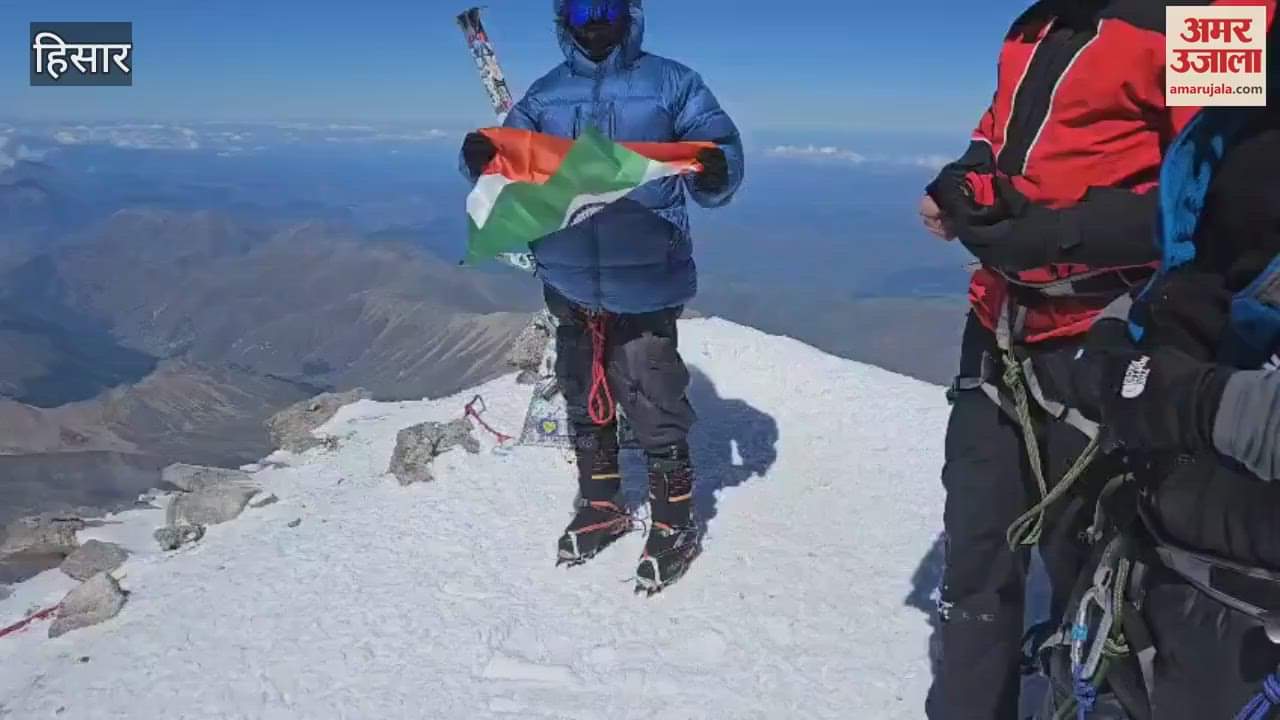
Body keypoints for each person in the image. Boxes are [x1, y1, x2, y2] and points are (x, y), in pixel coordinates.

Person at [917, 1, 1202, 716]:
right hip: (999, 325)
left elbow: (1230, 192)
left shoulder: (1209, 20)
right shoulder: (1035, 22)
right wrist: (963, 182)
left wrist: (1060, 236)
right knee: (979, 542)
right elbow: (1005, 137)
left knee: (1096, 559)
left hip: (1114, 338)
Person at [1037, 13, 1279, 717]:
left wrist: (1196, 403)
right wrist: (1143, 331)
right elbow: (1196, 209)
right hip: (1179, 512)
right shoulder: (1228, 25)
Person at [458, 0, 744, 594]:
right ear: (564, 16)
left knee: (650, 388)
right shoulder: (545, 93)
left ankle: (674, 520)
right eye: (581, 6)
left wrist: (716, 170)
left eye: (606, 4)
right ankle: (601, 501)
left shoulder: (673, 83)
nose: (595, 19)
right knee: (582, 385)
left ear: (629, 10)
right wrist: (479, 157)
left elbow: (719, 146)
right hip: (568, 273)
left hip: (645, 272)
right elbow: (508, 154)